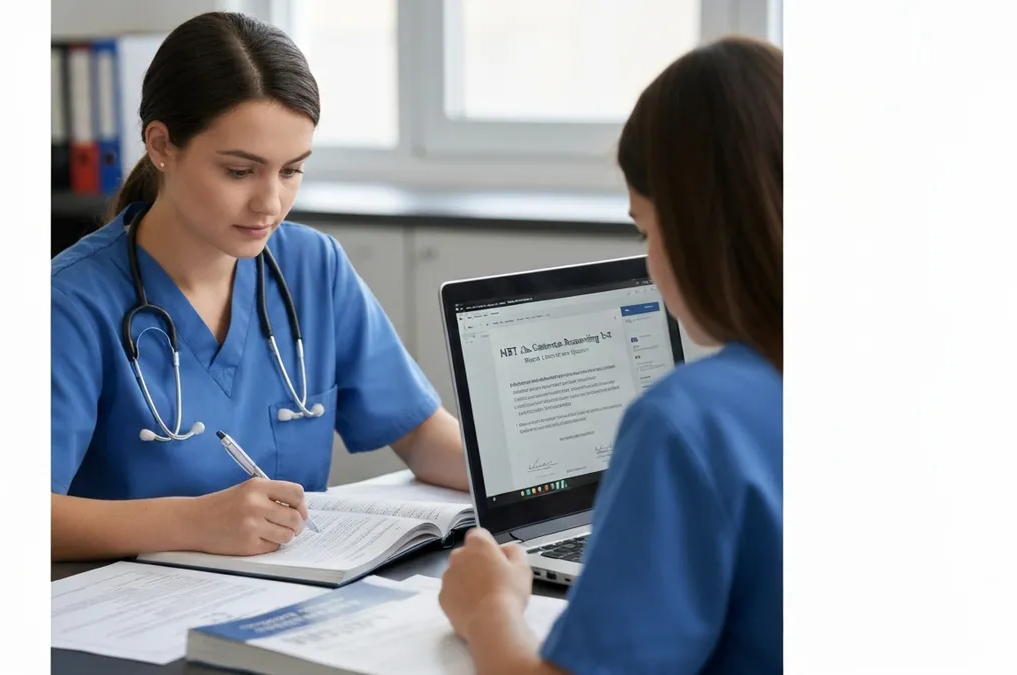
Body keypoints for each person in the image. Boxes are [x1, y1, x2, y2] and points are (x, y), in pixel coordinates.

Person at [51, 12, 467, 562]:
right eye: (240, 171)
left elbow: (422, 435)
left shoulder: (311, 266)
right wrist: (192, 522)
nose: (269, 203)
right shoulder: (70, 304)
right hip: (126, 619)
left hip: (290, 600)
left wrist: (556, 482)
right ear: (161, 146)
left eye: (291, 170)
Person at [438, 36, 783, 674]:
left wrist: (488, 609)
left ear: (696, 228)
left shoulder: (689, 423)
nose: (650, 258)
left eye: (647, 228)